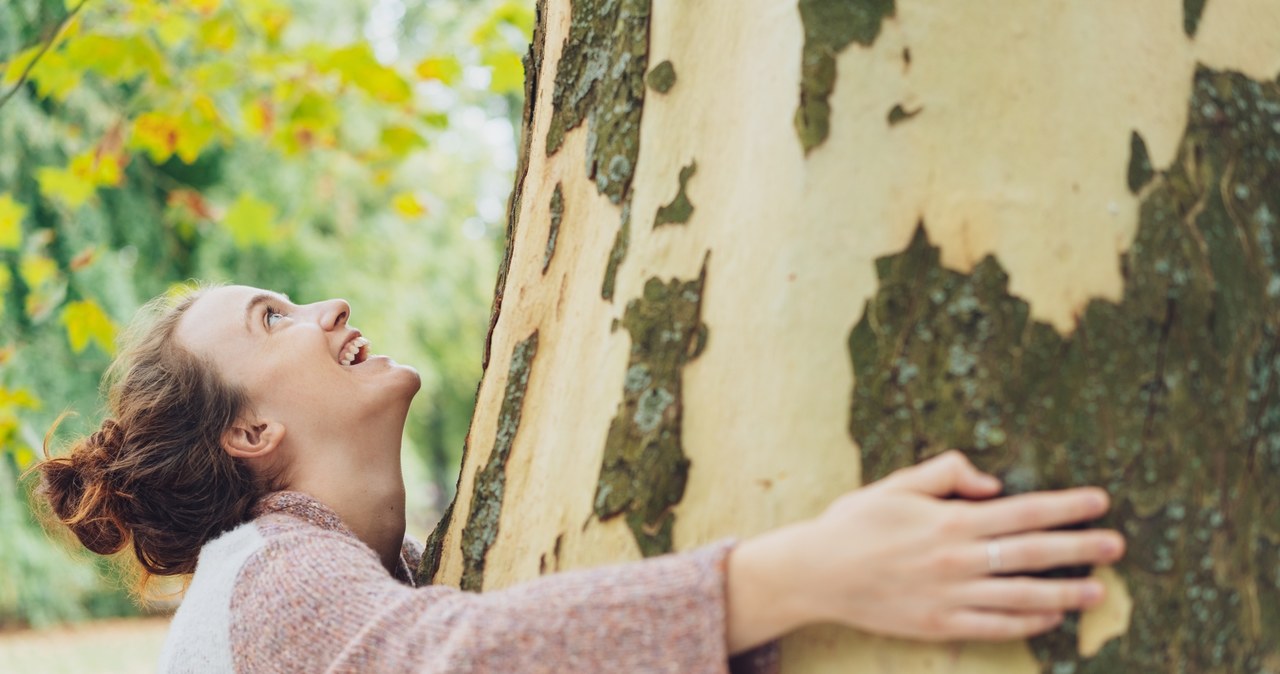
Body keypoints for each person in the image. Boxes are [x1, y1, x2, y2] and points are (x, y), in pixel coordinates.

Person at [35, 284, 1125, 674]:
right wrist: (804, 571)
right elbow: (451, 662)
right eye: (270, 318)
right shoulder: (265, 575)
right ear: (251, 427)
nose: (323, 309)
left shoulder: (362, 569)